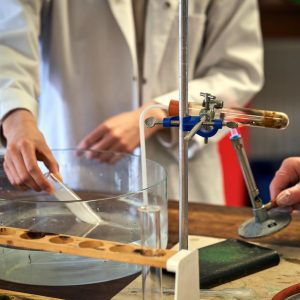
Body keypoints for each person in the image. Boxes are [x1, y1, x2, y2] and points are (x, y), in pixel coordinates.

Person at [0, 0, 264, 203]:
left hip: (182, 184)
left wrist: (160, 112)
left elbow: (237, 71)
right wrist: (16, 120)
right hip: (76, 169)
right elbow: (8, 40)